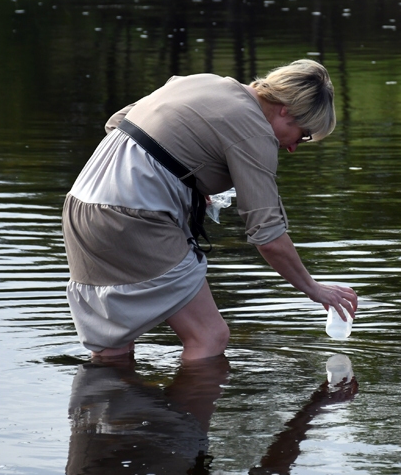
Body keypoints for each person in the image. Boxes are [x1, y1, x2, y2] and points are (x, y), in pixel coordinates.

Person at [62, 59, 358, 360]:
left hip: (81, 207)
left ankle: (118, 401)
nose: (295, 147)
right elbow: (267, 234)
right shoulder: (255, 130)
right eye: (303, 134)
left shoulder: (199, 81)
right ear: (286, 110)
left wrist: (186, 178)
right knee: (209, 337)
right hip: (133, 217)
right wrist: (314, 289)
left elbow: (118, 123)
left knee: (114, 345)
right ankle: (185, 407)